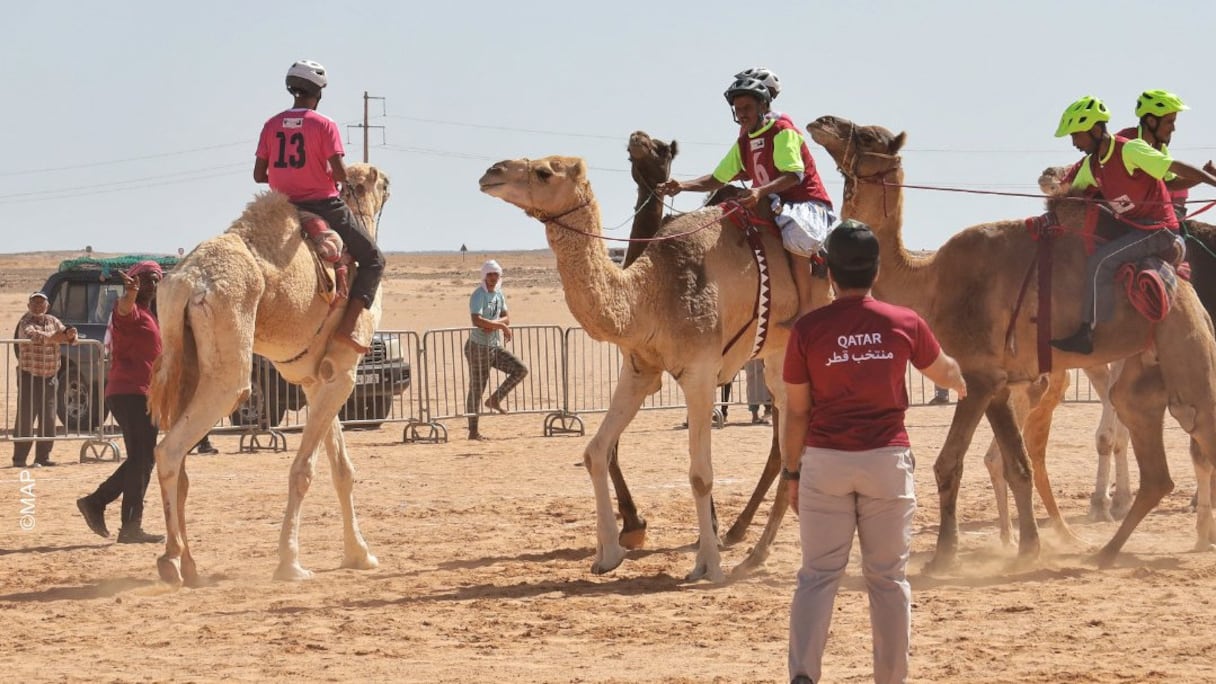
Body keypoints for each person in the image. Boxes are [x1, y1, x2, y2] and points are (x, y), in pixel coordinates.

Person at [783, 220, 966, 684]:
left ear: (829, 271)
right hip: (886, 460)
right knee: (887, 579)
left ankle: (804, 675)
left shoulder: (807, 330)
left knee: (817, 576)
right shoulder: (903, 322)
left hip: (825, 461)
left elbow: (797, 411)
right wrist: (961, 379)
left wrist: (791, 473)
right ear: (877, 269)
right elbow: (943, 372)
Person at [657, 67, 836, 320]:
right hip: (769, 201)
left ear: (763, 105)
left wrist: (760, 190)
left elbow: (794, 175)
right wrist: (683, 186)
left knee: (796, 235)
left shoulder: (782, 131)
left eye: (747, 108)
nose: (742, 114)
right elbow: (718, 179)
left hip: (803, 203)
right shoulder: (744, 141)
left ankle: (805, 309)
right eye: (737, 109)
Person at [1049, 95, 1216, 354]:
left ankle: (1089, 332)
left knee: (1101, 261)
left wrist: (1210, 180)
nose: (1074, 143)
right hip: (1135, 231)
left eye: (1076, 135)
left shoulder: (1129, 150)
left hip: (1160, 232)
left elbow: (1174, 168)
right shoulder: (1092, 166)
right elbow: (1070, 194)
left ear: (1095, 130)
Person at [253, 59, 385, 354]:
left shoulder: (271, 125)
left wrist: (286, 176)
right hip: (323, 205)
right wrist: (318, 174)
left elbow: (259, 175)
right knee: (374, 259)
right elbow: (339, 173)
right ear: (319, 93)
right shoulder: (324, 125)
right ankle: (348, 327)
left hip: (281, 205)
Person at [76, 261, 166, 544]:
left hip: (144, 394)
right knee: (142, 458)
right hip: (130, 392)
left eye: (156, 279)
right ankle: (107, 510)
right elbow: (124, 309)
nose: (152, 284)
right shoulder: (129, 309)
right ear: (134, 281)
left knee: (143, 459)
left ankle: (116, 515)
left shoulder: (150, 315)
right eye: (146, 279)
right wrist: (129, 294)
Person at [465, 260, 529, 440]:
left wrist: (494, 325)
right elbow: (476, 320)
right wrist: (499, 326)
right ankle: (473, 431)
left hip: (494, 345)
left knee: (520, 369)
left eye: (496, 275)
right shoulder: (479, 295)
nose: (493, 278)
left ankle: (495, 399)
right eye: (490, 275)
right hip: (478, 347)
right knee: (477, 388)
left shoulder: (499, 294)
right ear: (484, 276)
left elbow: (506, 317)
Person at [12, 292, 77, 468]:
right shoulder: (25, 322)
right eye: (34, 303)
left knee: (49, 418)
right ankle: (19, 458)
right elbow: (37, 338)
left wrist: (69, 334)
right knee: (26, 417)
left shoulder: (53, 321)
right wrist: (59, 337)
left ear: (47, 306)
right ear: (28, 306)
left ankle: (43, 457)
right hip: (29, 376)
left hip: (50, 376)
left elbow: (70, 338)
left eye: (41, 303)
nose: (38, 306)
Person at [1116, 90, 1196, 223]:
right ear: (1152, 121)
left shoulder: (1159, 148)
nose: (1173, 128)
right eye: (1169, 122)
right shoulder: (1125, 141)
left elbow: (1170, 183)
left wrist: (1204, 176)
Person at [744, 358, 773, 424]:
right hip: (753, 362)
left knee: (766, 387)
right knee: (754, 389)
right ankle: (755, 416)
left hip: (761, 363)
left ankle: (766, 412)